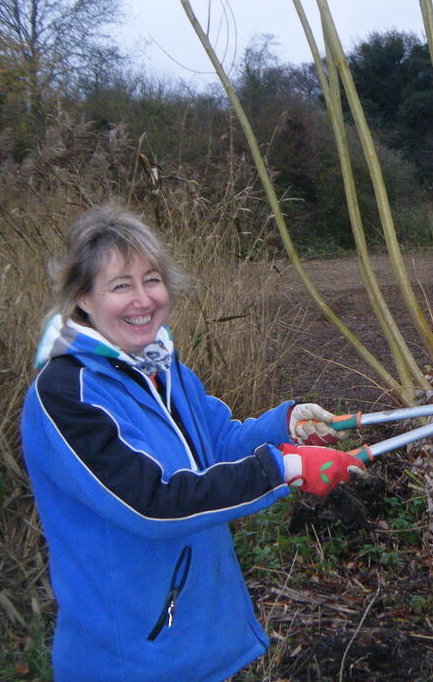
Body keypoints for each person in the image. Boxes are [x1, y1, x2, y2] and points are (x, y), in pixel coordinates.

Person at [21, 204, 363, 682]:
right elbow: (150, 502)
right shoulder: (66, 393)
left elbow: (219, 443)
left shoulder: (160, 368)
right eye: (121, 285)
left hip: (194, 642)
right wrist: (283, 468)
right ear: (82, 296)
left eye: (152, 279)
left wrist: (284, 427)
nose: (143, 299)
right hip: (132, 660)